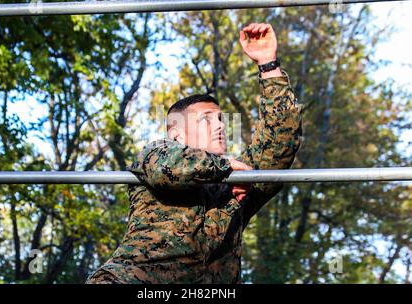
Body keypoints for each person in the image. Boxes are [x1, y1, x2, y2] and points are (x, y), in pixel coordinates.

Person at [86, 22, 302, 284]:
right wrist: (225, 169)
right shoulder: (158, 153)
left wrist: (268, 64)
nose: (221, 125)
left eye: (221, 119)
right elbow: (169, 169)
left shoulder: (234, 185)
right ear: (176, 132)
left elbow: (280, 145)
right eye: (206, 119)